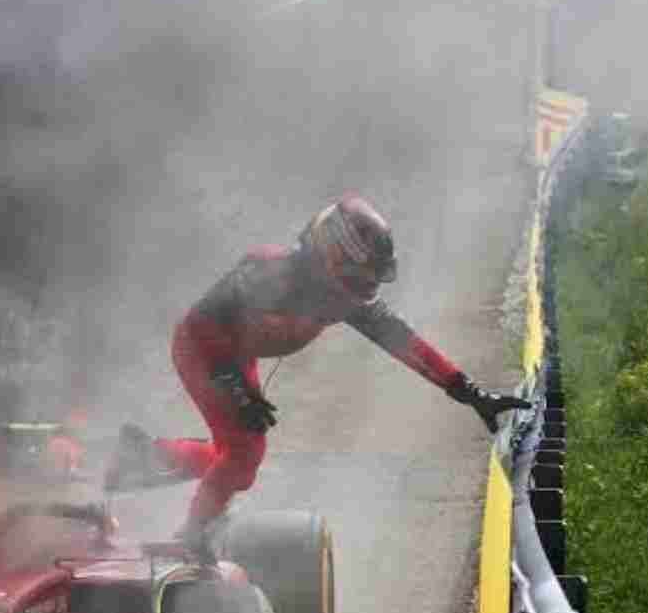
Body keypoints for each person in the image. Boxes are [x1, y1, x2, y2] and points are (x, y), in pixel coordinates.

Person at [107, 193, 530, 560]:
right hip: (203, 349)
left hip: (236, 355)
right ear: (333, 256)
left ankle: (147, 456)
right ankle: (190, 533)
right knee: (242, 454)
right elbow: (203, 325)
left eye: (371, 277)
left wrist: (470, 393)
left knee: (241, 463)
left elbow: (408, 346)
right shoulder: (265, 271)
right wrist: (234, 388)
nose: (366, 286)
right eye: (361, 274)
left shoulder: (343, 298)